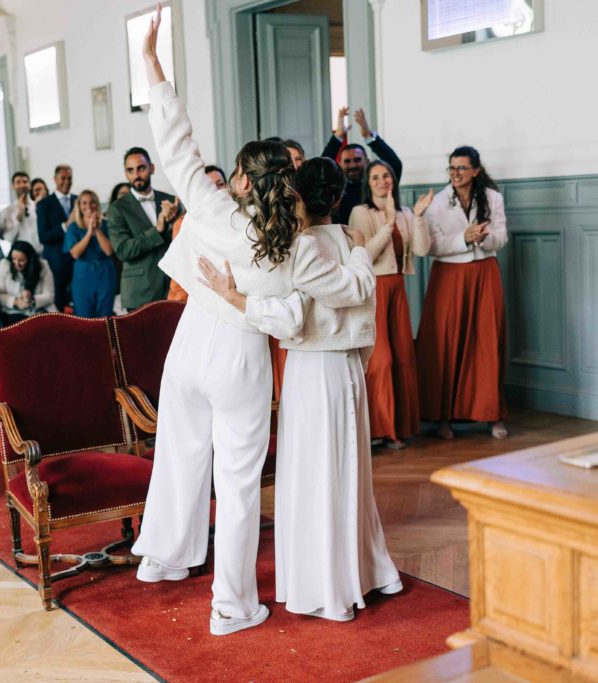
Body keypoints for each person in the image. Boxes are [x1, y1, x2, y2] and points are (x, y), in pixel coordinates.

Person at [131, 8, 376, 637]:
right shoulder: (290, 245)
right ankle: (231, 606)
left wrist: (154, 63)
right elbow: (294, 316)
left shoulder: (209, 207)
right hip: (240, 355)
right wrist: (249, 300)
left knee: (178, 453)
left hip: (186, 348)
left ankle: (161, 557)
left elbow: (175, 141)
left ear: (241, 178)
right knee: (237, 484)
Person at [199, 156, 399, 622]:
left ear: (294, 195)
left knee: (318, 474)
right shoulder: (342, 242)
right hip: (343, 366)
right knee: (343, 470)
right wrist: (361, 248)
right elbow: (359, 288)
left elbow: (344, 295)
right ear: (337, 198)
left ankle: (330, 584)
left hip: (317, 370)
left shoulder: (301, 248)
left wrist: (235, 298)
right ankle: (356, 572)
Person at [417, 146, 509, 440]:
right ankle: (444, 417)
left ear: (476, 171)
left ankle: (491, 414)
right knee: (446, 342)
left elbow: (501, 237)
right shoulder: (438, 201)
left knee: (487, 341)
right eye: (452, 168)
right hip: (449, 275)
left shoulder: (493, 198)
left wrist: (482, 238)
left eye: (461, 168)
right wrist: (463, 238)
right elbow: (432, 246)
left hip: (484, 273)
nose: (455, 174)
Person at [349, 161, 433, 448]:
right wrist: (386, 225)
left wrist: (418, 217)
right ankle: (374, 430)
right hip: (375, 289)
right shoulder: (361, 212)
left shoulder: (406, 213)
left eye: (386, 175)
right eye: (375, 177)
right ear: (368, 183)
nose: (382, 181)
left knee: (401, 358)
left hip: (398, 288)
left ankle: (398, 429)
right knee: (380, 360)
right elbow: (365, 255)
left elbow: (422, 249)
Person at [107, 147, 179, 310]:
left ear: (152, 168)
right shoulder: (117, 209)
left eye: (141, 168)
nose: (136, 175)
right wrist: (158, 229)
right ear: (126, 174)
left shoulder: (170, 200)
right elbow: (123, 250)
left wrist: (173, 222)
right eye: (130, 170)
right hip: (140, 291)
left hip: (173, 287)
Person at [322, 106, 403, 224]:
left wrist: (369, 137)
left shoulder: (375, 185)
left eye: (357, 160)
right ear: (339, 164)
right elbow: (321, 169)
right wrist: (338, 137)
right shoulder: (335, 187)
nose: (353, 165)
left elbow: (395, 164)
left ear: (367, 161)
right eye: (347, 161)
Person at [167, 165, 227, 304]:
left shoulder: (238, 217)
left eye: (220, 184)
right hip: (199, 297)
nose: (217, 191)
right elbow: (181, 270)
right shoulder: (184, 223)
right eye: (210, 187)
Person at [64, 190, 116, 318]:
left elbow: (109, 251)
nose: (88, 206)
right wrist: (89, 232)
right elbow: (75, 254)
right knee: (84, 315)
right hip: (83, 275)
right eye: (84, 203)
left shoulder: (106, 224)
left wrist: (96, 228)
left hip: (105, 272)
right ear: (79, 206)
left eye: (92, 202)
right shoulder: (74, 227)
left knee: (105, 315)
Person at [36, 165, 76, 312]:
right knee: (58, 304)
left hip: (78, 262)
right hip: (56, 263)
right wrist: (65, 226)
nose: (67, 182)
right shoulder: (44, 204)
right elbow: (43, 236)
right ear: (55, 179)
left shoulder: (78, 201)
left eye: (69, 178)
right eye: (63, 178)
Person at [0, 240, 55, 324]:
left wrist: (32, 300)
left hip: (38, 312)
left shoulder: (42, 266)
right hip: (12, 312)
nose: (17, 263)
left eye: (22, 260)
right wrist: (15, 302)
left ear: (30, 260)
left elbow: (50, 296)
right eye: (14, 259)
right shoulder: (5, 264)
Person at [2, 172, 41, 251]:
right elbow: (9, 238)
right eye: (18, 182)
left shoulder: (38, 206)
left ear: (29, 185)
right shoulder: (7, 211)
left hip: (39, 252)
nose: (22, 185)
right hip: (20, 256)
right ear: (13, 186)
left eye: (25, 182)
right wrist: (18, 217)